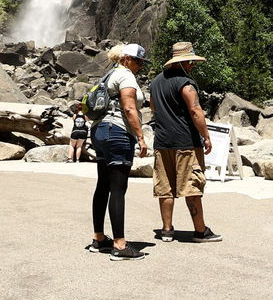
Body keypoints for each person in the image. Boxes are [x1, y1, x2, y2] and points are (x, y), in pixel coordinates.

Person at [149, 41, 222, 243]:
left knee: (165, 187)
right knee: (192, 185)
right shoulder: (186, 83)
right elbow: (195, 111)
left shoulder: (155, 83)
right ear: (183, 62)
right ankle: (200, 231)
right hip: (186, 142)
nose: (192, 66)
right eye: (190, 62)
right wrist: (206, 136)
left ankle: (166, 230)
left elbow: (153, 109)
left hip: (162, 142)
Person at [87, 43, 150, 260]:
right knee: (118, 188)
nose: (141, 65)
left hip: (100, 131)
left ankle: (98, 239)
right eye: (138, 61)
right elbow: (129, 107)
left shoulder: (109, 75)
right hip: (118, 132)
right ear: (126, 59)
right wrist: (141, 137)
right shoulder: (126, 76)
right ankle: (120, 245)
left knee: (103, 185)